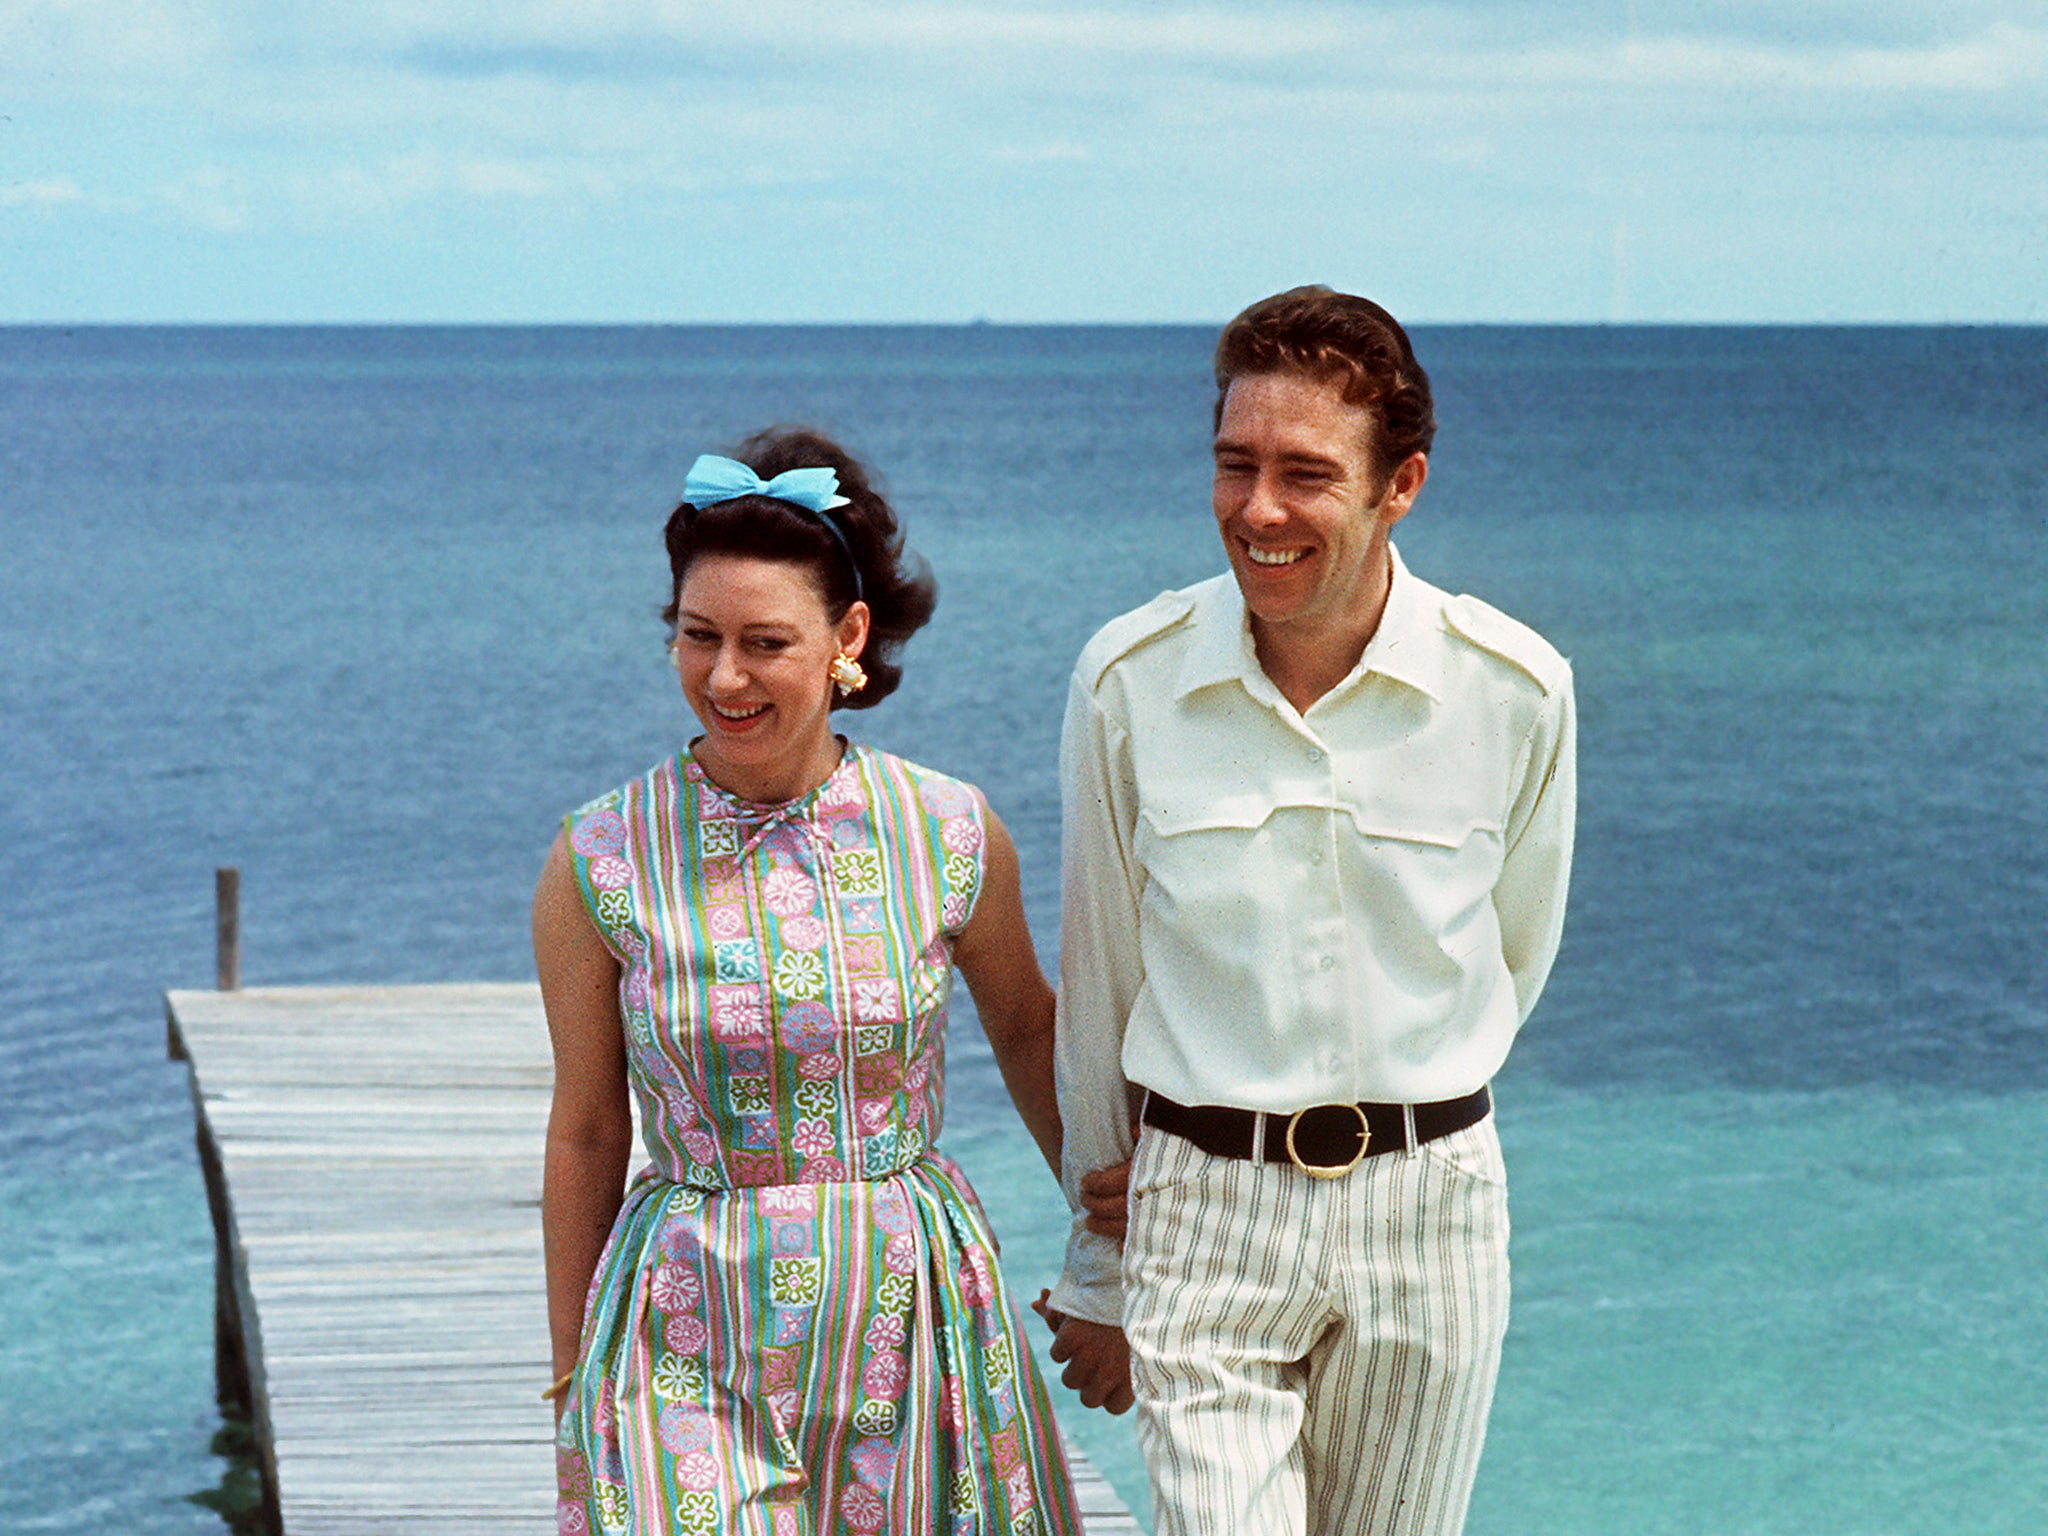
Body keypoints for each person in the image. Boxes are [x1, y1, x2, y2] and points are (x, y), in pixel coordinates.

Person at [1041, 287, 1577, 1535]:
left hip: (1431, 1208)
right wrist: (1100, 1265)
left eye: (1304, 474)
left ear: (1401, 486)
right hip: (1200, 1205)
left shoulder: (1513, 688)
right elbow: (1102, 982)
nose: (1258, 511)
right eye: (1234, 465)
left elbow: (1512, 955)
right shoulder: (1127, 680)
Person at [535, 427, 1084, 1535]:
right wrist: (569, 1369)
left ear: (848, 638)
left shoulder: (946, 831)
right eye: (697, 638)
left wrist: (1109, 1251)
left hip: (907, 1311)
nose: (723, 677)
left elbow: (1031, 1036)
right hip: (680, 1317)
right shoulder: (600, 854)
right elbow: (589, 1128)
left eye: (763, 643)